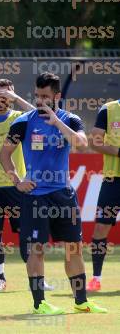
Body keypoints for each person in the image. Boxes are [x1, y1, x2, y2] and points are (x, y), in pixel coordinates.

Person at [0, 72, 107, 314]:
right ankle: (40, 303)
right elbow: (5, 154)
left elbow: (81, 143)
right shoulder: (24, 122)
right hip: (36, 196)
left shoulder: (70, 119)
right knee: (36, 249)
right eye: (37, 96)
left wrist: (56, 122)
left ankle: (81, 300)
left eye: (45, 97)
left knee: (74, 248)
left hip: (63, 195)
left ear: (57, 96)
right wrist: (17, 181)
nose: (40, 101)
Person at [0, 79, 42, 293]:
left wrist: (17, 99)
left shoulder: (20, 118)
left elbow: (41, 115)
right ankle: (0, 279)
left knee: (25, 232)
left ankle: (35, 279)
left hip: (18, 184)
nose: (3, 98)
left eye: (8, 94)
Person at [86, 98, 120, 292]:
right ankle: (96, 278)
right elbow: (94, 141)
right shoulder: (109, 109)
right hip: (112, 179)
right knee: (100, 228)